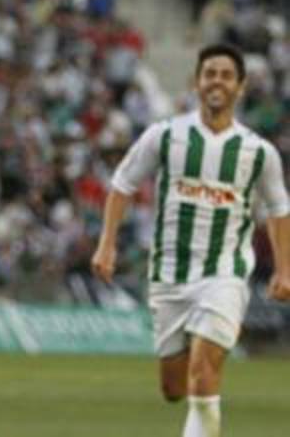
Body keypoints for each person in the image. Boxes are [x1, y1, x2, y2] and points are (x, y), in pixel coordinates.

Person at [92, 43, 290, 437]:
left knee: (204, 373)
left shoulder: (258, 152)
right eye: (210, 74)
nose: (217, 81)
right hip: (169, 276)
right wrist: (107, 244)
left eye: (226, 75)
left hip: (224, 274)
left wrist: (285, 269)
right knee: (174, 388)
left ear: (241, 86)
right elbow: (122, 184)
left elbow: (278, 209)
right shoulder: (164, 136)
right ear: (197, 82)